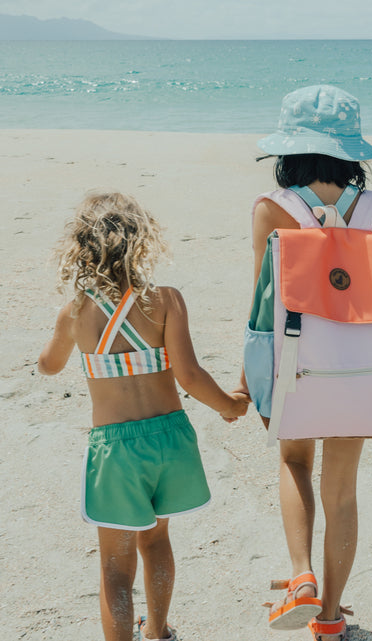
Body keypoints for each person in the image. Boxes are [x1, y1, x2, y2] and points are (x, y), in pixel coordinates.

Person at [38, 192, 249, 641]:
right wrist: (229, 406)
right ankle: (157, 631)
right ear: (141, 242)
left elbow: (48, 365)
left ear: (81, 247)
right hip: (171, 438)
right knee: (156, 540)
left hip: (116, 447)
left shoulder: (75, 312)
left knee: (115, 565)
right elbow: (189, 375)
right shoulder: (166, 300)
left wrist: (71, 339)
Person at [240, 85, 372, 641]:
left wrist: (250, 373)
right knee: (343, 490)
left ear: (289, 148)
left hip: (296, 363)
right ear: (349, 150)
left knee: (293, 462)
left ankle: (301, 576)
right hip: (360, 366)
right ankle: (331, 618)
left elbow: (262, 300)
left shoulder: (272, 209)